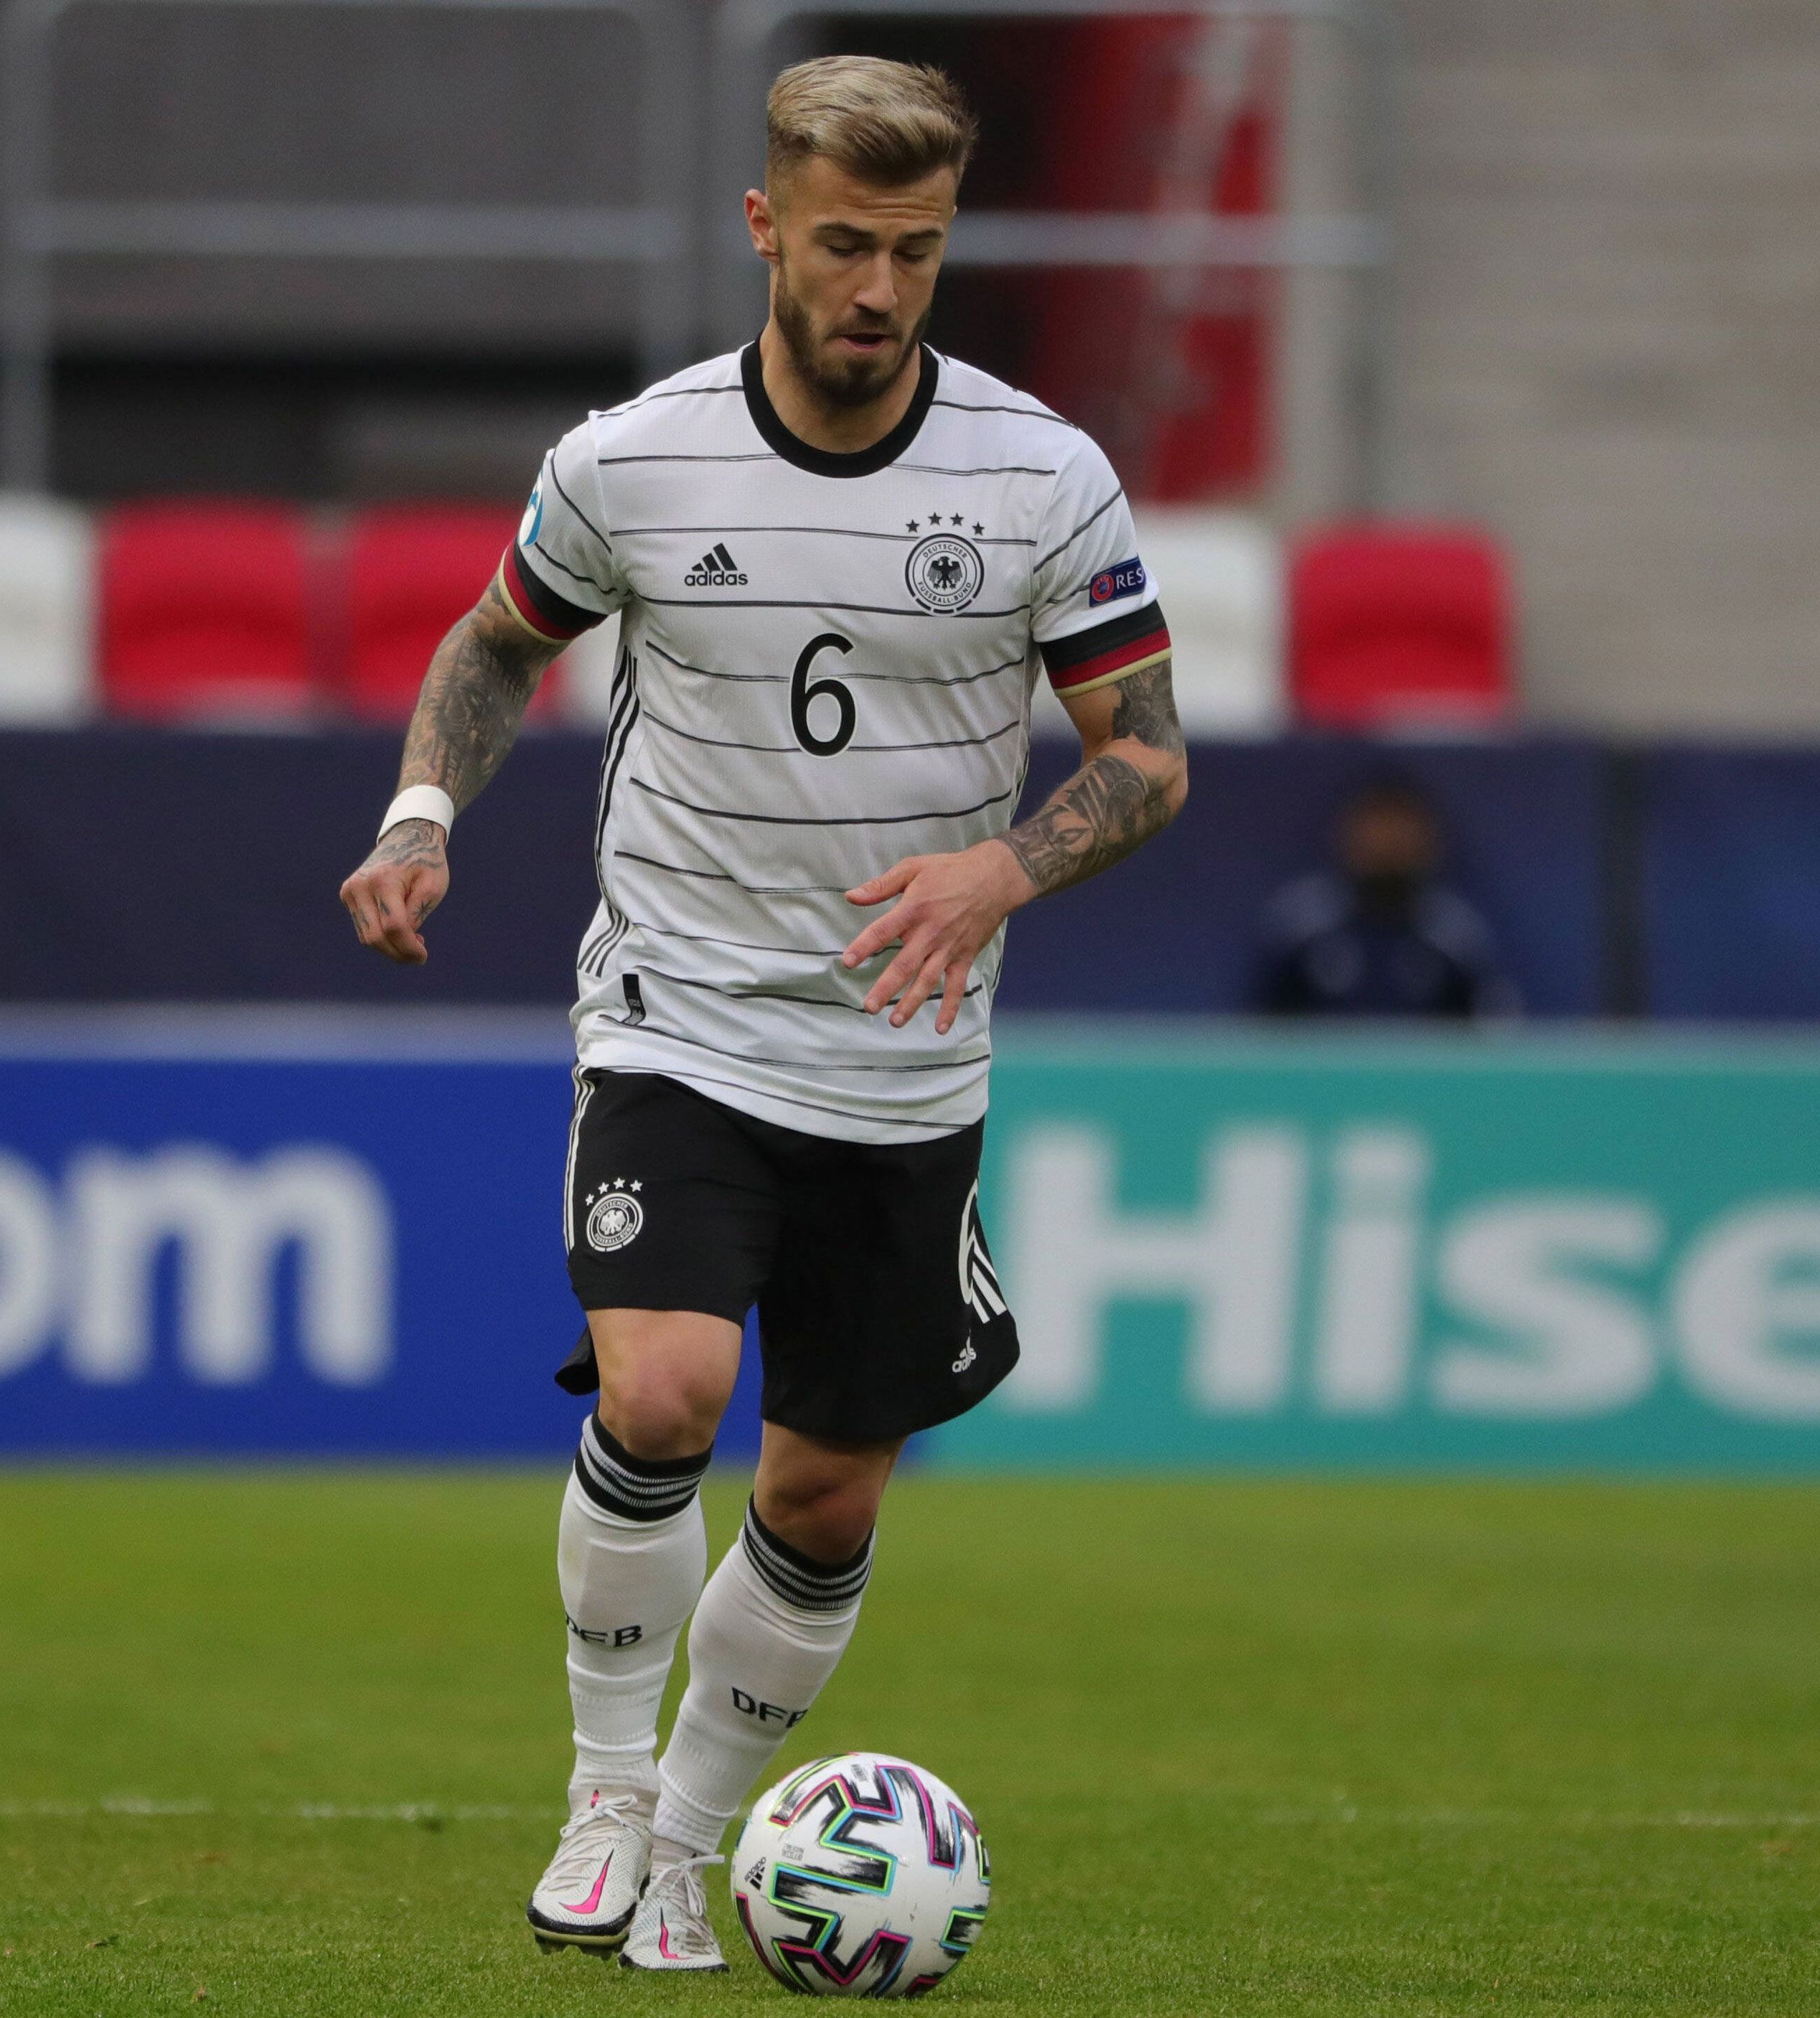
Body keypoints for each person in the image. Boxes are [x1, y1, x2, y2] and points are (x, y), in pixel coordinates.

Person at [339, 56, 1190, 1974]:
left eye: (914, 249)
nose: (877, 289)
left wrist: (1005, 869)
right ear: (765, 228)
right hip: (679, 1011)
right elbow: (494, 647)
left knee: (818, 1486)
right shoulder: (633, 459)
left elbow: (1146, 757)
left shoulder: (1043, 476)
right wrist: (420, 814)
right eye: (841, 246)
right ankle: (606, 1790)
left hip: (905, 1058)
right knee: (660, 1389)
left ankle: (691, 1856)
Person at [1251, 777, 1519, 1019]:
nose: (1388, 843)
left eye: (1401, 829)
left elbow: (1488, 1042)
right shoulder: (1298, 931)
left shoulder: (1456, 938)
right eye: (1377, 828)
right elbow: (1260, 1037)